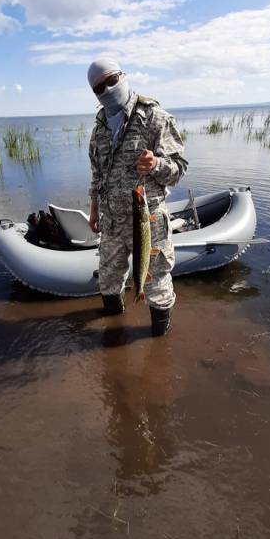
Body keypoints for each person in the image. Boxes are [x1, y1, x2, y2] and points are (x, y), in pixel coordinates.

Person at [87, 57, 188, 336]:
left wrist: (156, 164)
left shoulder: (155, 118)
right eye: (98, 88)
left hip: (148, 222)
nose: (107, 89)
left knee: (156, 285)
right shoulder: (99, 130)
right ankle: (113, 333)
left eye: (111, 80)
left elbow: (179, 170)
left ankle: (158, 344)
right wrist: (94, 209)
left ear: (123, 76)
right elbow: (97, 175)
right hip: (112, 223)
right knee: (108, 280)